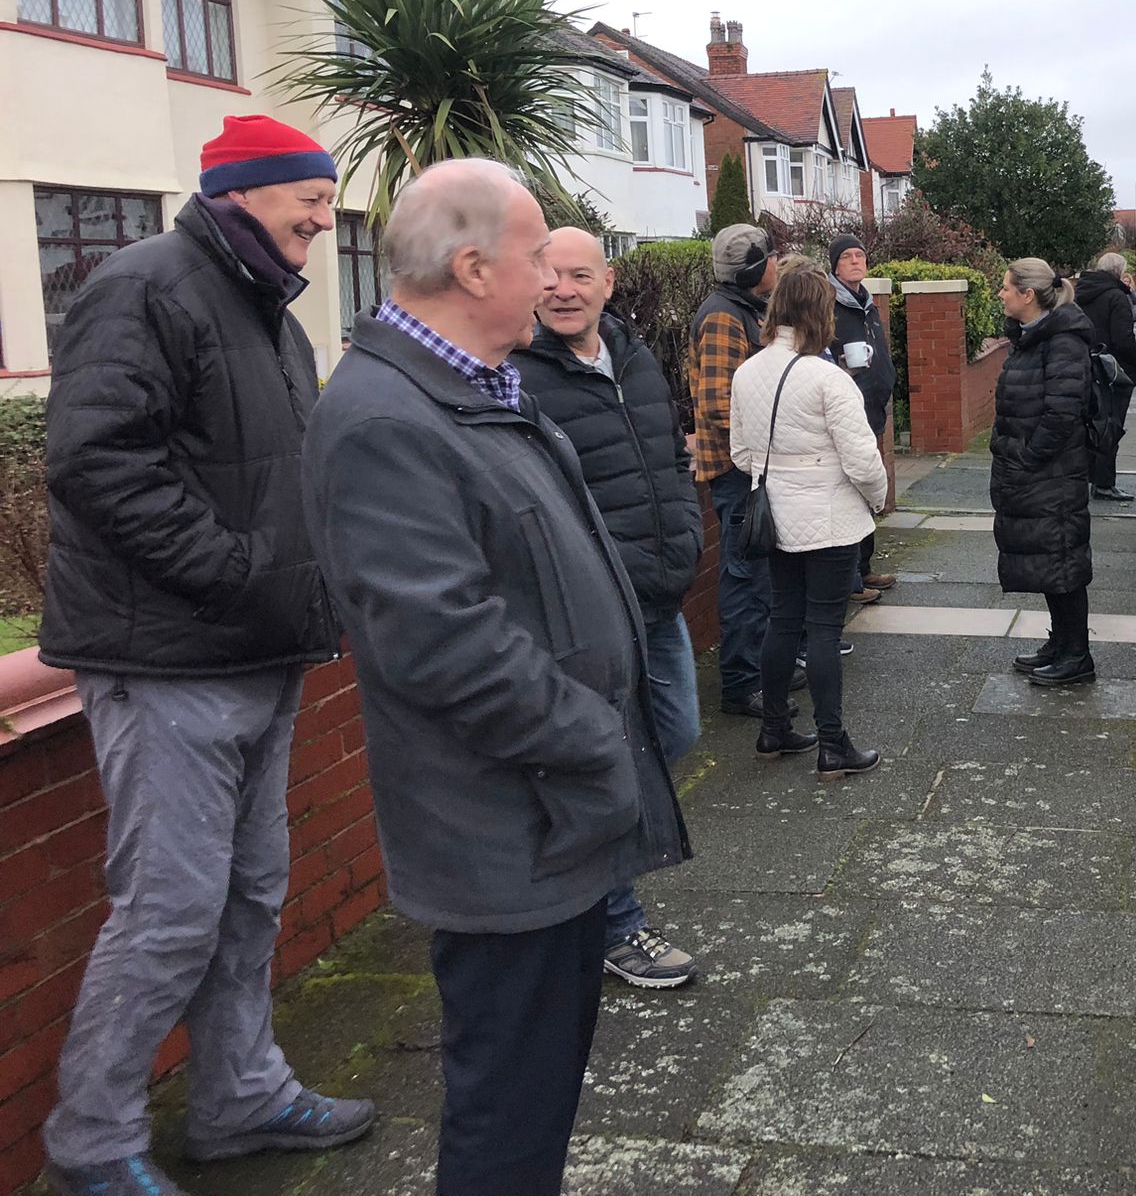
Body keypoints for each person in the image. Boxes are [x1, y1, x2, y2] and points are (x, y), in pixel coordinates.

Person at [302, 161, 687, 1196]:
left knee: (538, 1092)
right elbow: (443, 645)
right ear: (473, 268)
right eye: (532, 260)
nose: (548, 281)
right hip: (506, 830)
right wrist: (596, 735)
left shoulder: (477, 390)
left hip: (550, 819)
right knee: (507, 1113)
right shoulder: (387, 419)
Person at [37, 115, 374, 1196]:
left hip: (258, 656)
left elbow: (285, 477)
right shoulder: (145, 286)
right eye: (308, 200)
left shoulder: (272, 316)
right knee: (173, 910)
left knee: (248, 897)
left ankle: (239, 1096)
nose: (325, 221)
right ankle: (92, 1144)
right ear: (242, 192)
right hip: (167, 662)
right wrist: (237, 573)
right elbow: (96, 461)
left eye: (327, 202)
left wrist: (306, 589)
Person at [516, 227, 703, 990]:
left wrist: (687, 530)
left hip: (657, 600)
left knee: (679, 732)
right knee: (608, 759)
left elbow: (667, 455)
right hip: (591, 611)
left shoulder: (634, 358)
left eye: (579, 275)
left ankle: (582, 899)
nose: (564, 288)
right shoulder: (520, 376)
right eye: (550, 275)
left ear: (608, 282)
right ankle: (614, 923)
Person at [731, 259, 890, 779]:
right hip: (828, 519)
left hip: (773, 517)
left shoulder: (747, 372)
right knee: (823, 627)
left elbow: (739, 454)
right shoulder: (828, 377)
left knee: (783, 618)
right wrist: (876, 499)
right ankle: (833, 745)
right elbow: (864, 461)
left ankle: (773, 729)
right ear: (820, 313)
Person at [992, 258, 1098, 686]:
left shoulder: (1062, 342)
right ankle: (1061, 644)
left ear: (1027, 295)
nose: (1000, 294)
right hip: (1036, 474)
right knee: (1050, 559)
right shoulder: (1032, 338)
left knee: (1062, 560)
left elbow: (1062, 413)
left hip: (1052, 474)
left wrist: (1028, 457)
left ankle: (1077, 656)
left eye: (1005, 288)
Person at [691, 224, 779, 717]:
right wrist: (776, 436)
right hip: (736, 472)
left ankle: (763, 670)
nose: (775, 264)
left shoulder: (745, 310)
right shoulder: (724, 318)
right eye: (769, 258)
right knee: (745, 578)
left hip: (751, 470)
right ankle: (742, 684)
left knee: (760, 578)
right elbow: (718, 404)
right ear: (753, 268)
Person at [827, 233, 897, 603]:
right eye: (847, 257)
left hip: (872, 405)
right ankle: (851, 578)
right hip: (848, 406)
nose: (856, 261)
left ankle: (865, 566)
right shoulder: (831, 303)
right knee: (852, 489)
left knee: (868, 488)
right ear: (835, 265)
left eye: (860, 255)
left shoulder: (866, 302)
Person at [1074, 251, 1136, 503]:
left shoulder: (1079, 294)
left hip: (1084, 367)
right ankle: (1104, 484)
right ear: (1119, 272)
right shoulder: (1116, 297)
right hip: (1112, 371)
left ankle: (1087, 478)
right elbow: (1123, 339)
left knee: (1089, 425)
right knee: (1110, 427)